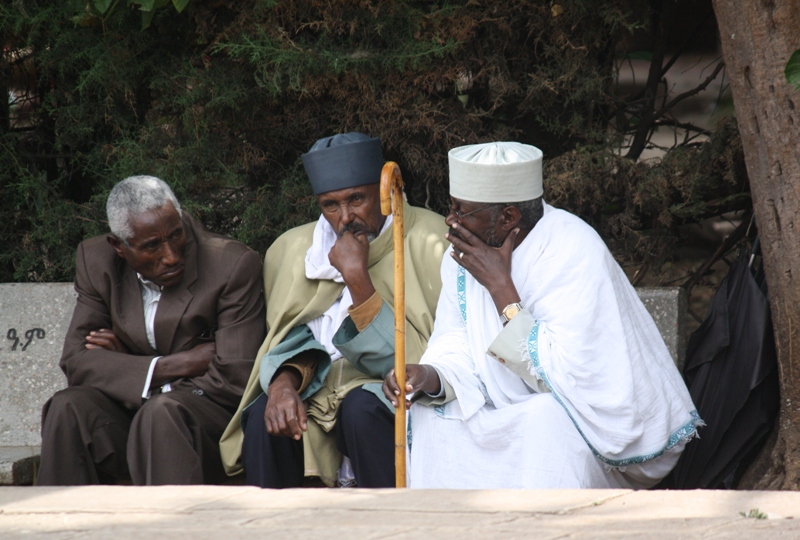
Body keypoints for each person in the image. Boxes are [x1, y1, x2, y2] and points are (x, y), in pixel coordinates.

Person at [384, 142, 702, 489]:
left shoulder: (574, 249)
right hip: (506, 407)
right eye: (452, 207)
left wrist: (500, 286)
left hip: (592, 425)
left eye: (462, 211)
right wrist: (432, 375)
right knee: (432, 416)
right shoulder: (463, 254)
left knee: (542, 418)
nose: (450, 220)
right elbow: (457, 339)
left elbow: (569, 377)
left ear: (508, 217)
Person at [219, 132, 448, 488]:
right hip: (317, 388)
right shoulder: (291, 250)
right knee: (266, 417)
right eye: (330, 205)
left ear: (385, 192)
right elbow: (291, 336)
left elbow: (422, 360)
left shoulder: (429, 240)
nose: (345, 218)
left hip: (385, 392)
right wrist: (282, 382)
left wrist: (358, 281)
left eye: (357, 199)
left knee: (359, 409)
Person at [38, 175, 266, 485]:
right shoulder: (97, 263)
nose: (171, 255)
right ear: (119, 246)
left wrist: (126, 368)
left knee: (162, 413)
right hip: (133, 417)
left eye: (176, 235)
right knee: (67, 407)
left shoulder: (231, 265)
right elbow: (77, 362)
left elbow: (235, 378)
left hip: (206, 426)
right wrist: (172, 365)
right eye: (152, 246)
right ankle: (56, 527)